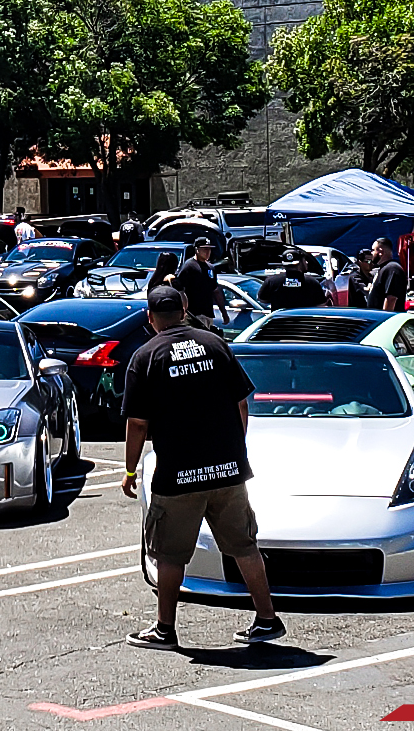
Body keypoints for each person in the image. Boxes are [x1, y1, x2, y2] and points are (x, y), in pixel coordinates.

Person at [121, 285, 283, 649]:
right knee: (244, 545)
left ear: (149, 318)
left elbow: (138, 424)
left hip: (179, 475)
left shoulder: (146, 357)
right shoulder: (214, 344)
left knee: (169, 554)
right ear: (184, 307)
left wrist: (130, 471)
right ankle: (268, 619)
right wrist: (234, 449)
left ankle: (165, 629)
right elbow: (242, 403)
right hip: (228, 470)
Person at [257, 253, 326, 312]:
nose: (307, 262)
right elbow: (321, 305)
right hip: (305, 324)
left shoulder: (271, 281)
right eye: (304, 260)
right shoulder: (312, 283)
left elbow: (262, 299)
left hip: (279, 324)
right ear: (300, 263)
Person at [175, 236, 220, 323]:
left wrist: (224, 312)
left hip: (208, 313)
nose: (208, 252)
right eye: (205, 249)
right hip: (194, 314)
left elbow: (215, 290)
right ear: (197, 250)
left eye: (209, 249)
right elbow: (180, 289)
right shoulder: (189, 266)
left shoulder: (210, 267)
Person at [368, 237, 407, 313]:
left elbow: (391, 299)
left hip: (387, 321)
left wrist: (384, 319)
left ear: (380, 251)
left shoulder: (392, 269)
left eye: (373, 250)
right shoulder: (382, 269)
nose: (371, 253)